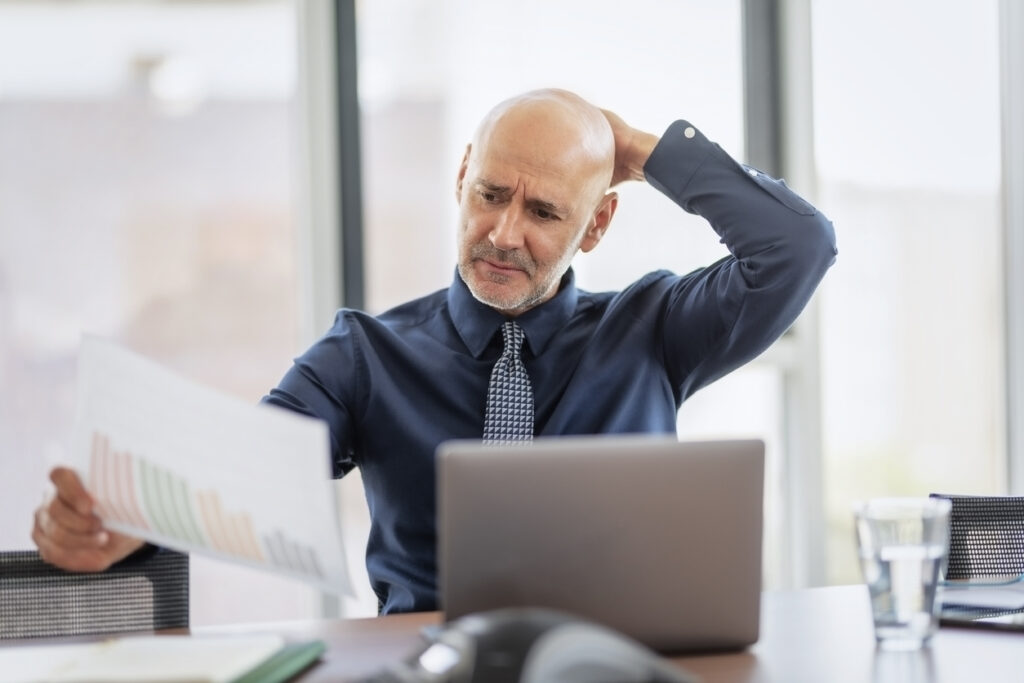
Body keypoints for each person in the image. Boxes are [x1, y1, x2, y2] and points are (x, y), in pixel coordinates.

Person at [32, 88, 836, 614]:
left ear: (594, 227)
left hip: (612, 666)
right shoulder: (365, 354)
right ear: (462, 178)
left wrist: (640, 149)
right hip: (425, 664)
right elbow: (248, 466)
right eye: (491, 194)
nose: (503, 233)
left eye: (546, 212)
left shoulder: (655, 328)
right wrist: (130, 517)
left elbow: (797, 246)